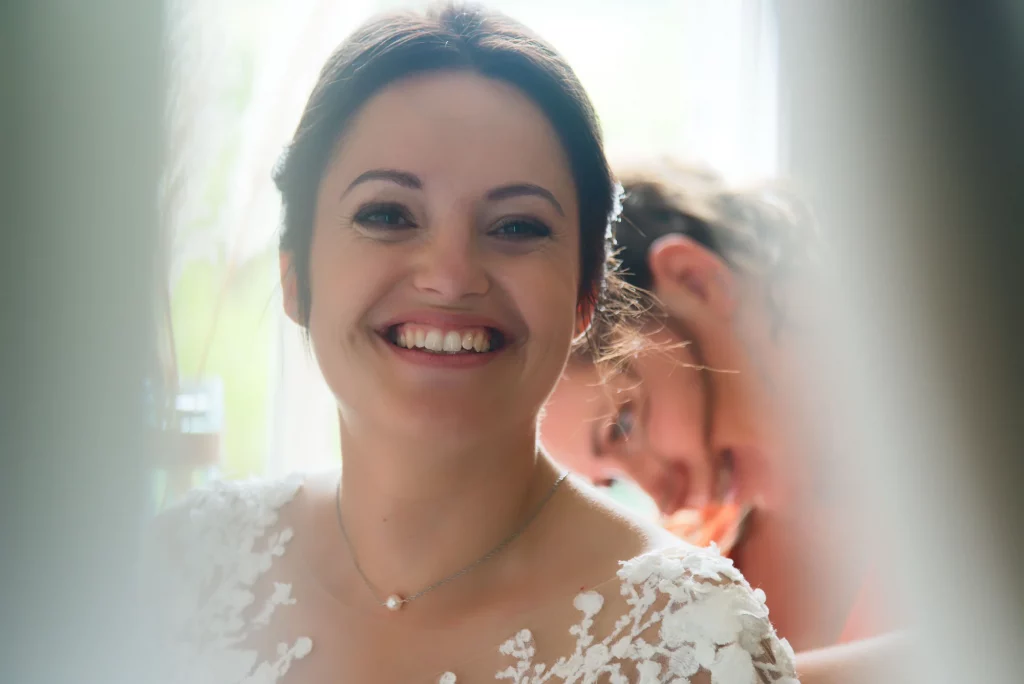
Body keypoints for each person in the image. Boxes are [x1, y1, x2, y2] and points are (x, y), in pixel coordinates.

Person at [145, 6, 798, 684]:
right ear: (294, 276)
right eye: (388, 215)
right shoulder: (180, 570)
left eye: (515, 226)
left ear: (585, 296)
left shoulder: (693, 642)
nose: (452, 276)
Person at [540, 163, 902, 677]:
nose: (665, 498)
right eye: (612, 481)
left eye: (623, 425)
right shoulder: (688, 556)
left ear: (696, 280)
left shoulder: (978, 427)